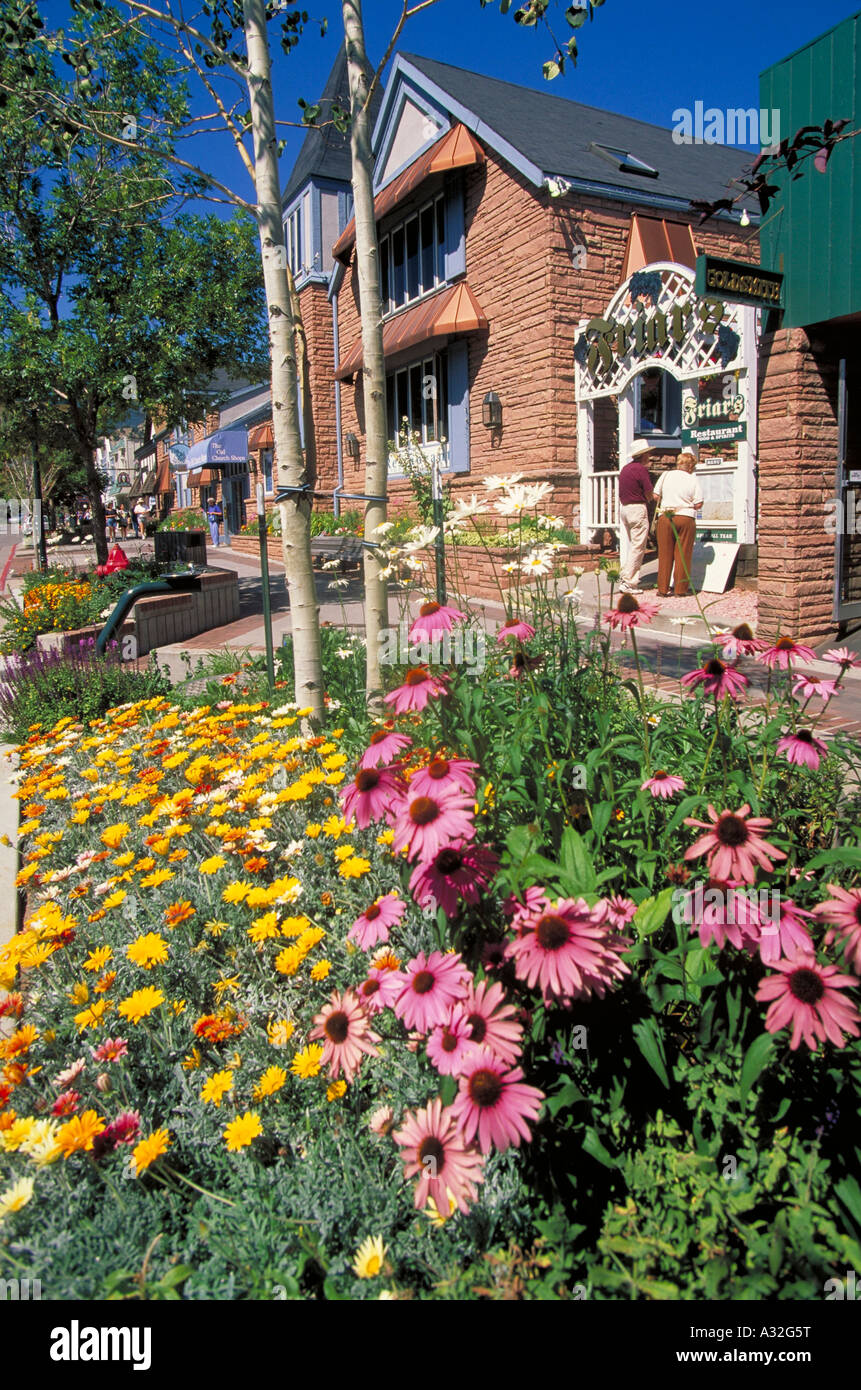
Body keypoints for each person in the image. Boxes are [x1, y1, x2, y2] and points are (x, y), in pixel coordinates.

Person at [653, 451, 704, 597]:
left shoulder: (666, 475)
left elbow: (656, 495)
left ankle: (662, 589)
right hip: (685, 517)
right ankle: (680, 590)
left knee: (664, 554)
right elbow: (698, 503)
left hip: (666, 516)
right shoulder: (693, 479)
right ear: (691, 466)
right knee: (683, 554)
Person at [618, 439, 655, 594]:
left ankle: (626, 576)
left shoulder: (625, 469)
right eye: (648, 454)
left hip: (625, 509)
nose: (650, 457)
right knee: (638, 547)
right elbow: (648, 492)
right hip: (637, 508)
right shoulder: (641, 470)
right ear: (643, 455)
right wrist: (652, 499)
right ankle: (629, 581)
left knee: (634, 545)